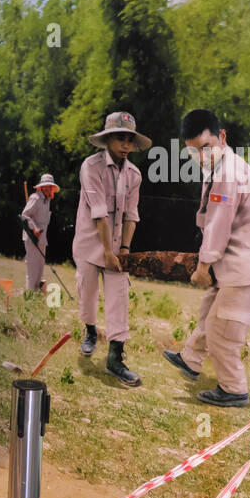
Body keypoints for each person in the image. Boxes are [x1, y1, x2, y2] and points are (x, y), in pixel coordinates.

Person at [162, 109, 250, 407]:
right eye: (193, 152)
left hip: (246, 267)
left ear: (222, 138)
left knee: (222, 329)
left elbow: (218, 224)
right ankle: (191, 360)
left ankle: (234, 389)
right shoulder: (222, 167)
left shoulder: (228, 174)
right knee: (209, 311)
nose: (201, 156)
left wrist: (203, 266)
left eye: (206, 147)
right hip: (235, 262)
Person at [72, 112, 148, 387]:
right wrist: (106, 251)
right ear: (107, 140)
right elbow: (99, 213)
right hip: (91, 242)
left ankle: (115, 359)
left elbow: (131, 214)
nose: (125, 144)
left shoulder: (134, 175)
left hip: (116, 245)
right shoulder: (90, 167)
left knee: (119, 296)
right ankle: (90, 331)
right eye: (120, 138)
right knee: (88, 292)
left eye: (129, 139)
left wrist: (124, 250)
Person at [20, 174, 59, 291]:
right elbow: (25, 215)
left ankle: (36, 293)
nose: (48, 189)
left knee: (40, 268)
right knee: (32, 268)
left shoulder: (47, 200)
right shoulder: (35, 198)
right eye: (46, 186)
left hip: (42, 239)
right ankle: (30, 294)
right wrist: (34, 228)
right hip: (32, 237)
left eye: (50, 187)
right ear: (41, 187)